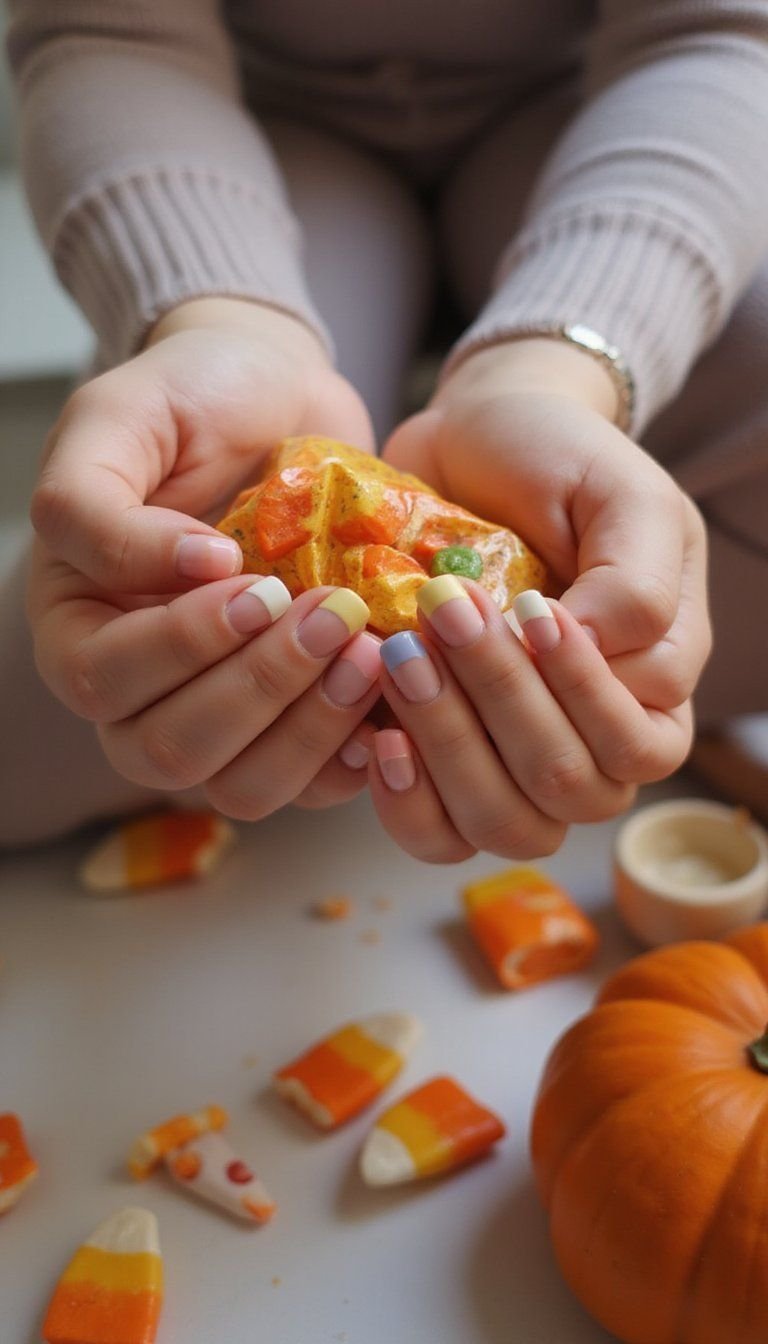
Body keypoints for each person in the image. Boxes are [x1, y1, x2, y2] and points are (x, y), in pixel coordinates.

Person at [2, 0, 767, 858]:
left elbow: (718, 31)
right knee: (39, 748)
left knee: (627, 644)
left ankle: (441, 715)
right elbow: (109, 32)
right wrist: (220, 324)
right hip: (252, 142)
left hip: (600, 126)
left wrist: (554, 371)